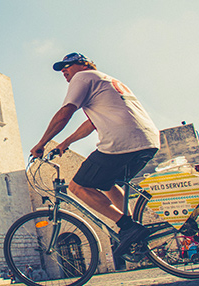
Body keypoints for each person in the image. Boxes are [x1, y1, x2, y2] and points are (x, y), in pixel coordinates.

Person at [30, 52, 160, 255]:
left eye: (68, 65)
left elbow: (66, 112)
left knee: (77, 186)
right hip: (148, 141)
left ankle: (128, 228)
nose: (64, 70)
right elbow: (91, 123)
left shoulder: (83, 77)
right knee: (107, 184)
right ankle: (135, 231)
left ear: (84, 65)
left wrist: (41, 143)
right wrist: (65, 143)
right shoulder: (106, 80)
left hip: (122, 141)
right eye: (62, 68)